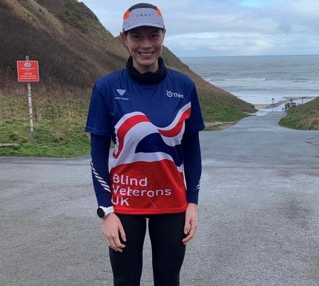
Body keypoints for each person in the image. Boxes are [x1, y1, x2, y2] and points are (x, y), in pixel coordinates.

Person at [85, 3, 205, 285]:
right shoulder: (107, 87)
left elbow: (192, 150)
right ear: (124, 38)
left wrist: (192, 203)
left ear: (163, 35)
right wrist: (106, 211)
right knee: (125, 280)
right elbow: (97, 154)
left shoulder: (184, 86)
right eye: (137, 36)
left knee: (168, 279)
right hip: (125, 204)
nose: (146, 44)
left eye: (153, 35)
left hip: (172, 203)